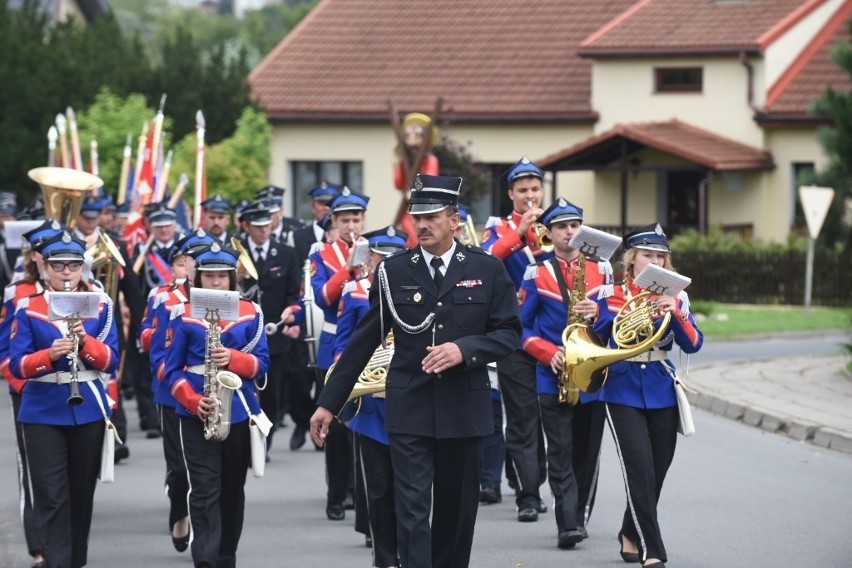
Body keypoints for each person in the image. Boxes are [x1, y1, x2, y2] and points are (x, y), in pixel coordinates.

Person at [311, 174, 521, 568]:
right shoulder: (394, 271)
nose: (422, 225)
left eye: (432, 217)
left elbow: (508, 333)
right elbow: (362, 341)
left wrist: (464, 349)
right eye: (416, 217)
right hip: (410, 406)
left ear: (454, 219)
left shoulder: (487, 268)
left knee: (456, 514)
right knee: (411, 510)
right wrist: (329, 403)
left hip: (464, 407)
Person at [592, 223, 703, 568]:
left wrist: (677, 314)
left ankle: (629, 531)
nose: (655, 260)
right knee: (638, 469)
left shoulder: (678, 297)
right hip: (621, 386)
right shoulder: (609, 292)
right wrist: (595, 315)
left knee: (657, 470)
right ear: (632, 260)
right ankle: (652, 550)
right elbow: (596, 338)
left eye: (661, 255)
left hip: (660, 387)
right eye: (647, 254)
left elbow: (695, 344)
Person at [9, 230, 120, 568]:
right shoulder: (28, 307)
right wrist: (49, 354)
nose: (67, 272)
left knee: (81, 494)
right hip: (42, 409)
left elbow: (112, 360)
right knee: (52, 497)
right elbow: (17, 364)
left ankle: (74, 561)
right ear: (46, 268)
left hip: (87, 407)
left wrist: (86, 344)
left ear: (81, 268)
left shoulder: (100, 305)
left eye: (73, 265)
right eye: (59, 265)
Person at [165, 243, 269, 568]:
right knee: (204, 488)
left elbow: (262, 364)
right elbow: (170, 370)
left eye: (221, 277)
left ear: (231, 278)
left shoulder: (251, 312)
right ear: (198, 278)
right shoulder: (181, 314)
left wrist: (234, 359)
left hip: (237, 411)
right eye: (208, 276)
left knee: (232, 490)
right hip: (197, 410)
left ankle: (226, 557)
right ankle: (205, 560)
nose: (214, 283)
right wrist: (194, 401)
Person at [518, 198, 612, 549]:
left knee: (587, 452)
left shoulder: (603, 270)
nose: (569, 232)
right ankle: (567, 523)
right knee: (559, 450)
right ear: (550, 232)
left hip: (591, 374)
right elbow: (520, 329)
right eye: (561, 227)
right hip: (552, 373)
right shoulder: (535, 272)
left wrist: (598, 313)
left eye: (574, 225)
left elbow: (615, 325)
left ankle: (580, 513)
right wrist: (548, 353)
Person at [480, 156, 551, 522]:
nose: (529, 195)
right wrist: (520, 231)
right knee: (522, 417)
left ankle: (538, 483)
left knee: (546, 415)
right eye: (522, 190)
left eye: (535, 189)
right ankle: (527, 494)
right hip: (513, 335)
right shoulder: (498, 230)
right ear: (511, 194)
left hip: (552, 336)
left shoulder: (555, 223)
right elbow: (488, 258)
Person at [333, 225, 408, 567]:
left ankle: (410, 552)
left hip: (410, 401)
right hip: (371, 403)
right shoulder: (354, 290)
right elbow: (342, 345)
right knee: (377, 487)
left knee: (412, 488)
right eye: (381, 256)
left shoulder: (415, 287)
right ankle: (384, 556)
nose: (386, 262)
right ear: (371, 258)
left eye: (394, 256)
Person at [139, 228, 214, 553]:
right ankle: (179, 511)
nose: (201, 267)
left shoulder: (224, 297)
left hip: (215, 392)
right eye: (194, 261)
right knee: (179, 464)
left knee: (210, 466)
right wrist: (176, 383)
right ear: (183, 263)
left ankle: (206, 532)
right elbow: (153, 348)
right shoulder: (163, 297)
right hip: (173, 393)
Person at [0, 219, 64, 568]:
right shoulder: (18, 292)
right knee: (34, 470)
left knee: (69, 473)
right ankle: (40, 547)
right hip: (31, 389)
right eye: (45, 253)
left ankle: (65, 542)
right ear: (36, 256)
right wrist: (23, 384)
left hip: (75, 389)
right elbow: (6, 348)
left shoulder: (88, 288)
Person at [307, 187, 370, 520]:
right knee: (336, 425)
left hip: (369, 345)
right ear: (334, 221)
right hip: (334, 346)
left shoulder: (374, 250)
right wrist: (347, 269)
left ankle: (360, 493)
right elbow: (323, 299)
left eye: (356, 219)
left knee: (365, 425)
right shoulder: (322, 254)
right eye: (345, 220)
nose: (351, 226)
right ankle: (336, 495)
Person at [237, 200, 301, 453]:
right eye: (257, 226)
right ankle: (245, 437)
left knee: (272, 390)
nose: (264, 231)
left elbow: (293, 292)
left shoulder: (285, 253)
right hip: (243, 332)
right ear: (246, 226)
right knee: (244, 387)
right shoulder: (236, 252)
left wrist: (291, 315)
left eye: (266, 225)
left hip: (274, 331)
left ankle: (265, 438)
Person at [291, 182, 339, 264]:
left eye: (329, 203)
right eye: (321, 203)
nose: (326, 208)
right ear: (312, 207)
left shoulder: (341, 235)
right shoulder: (297, 236)